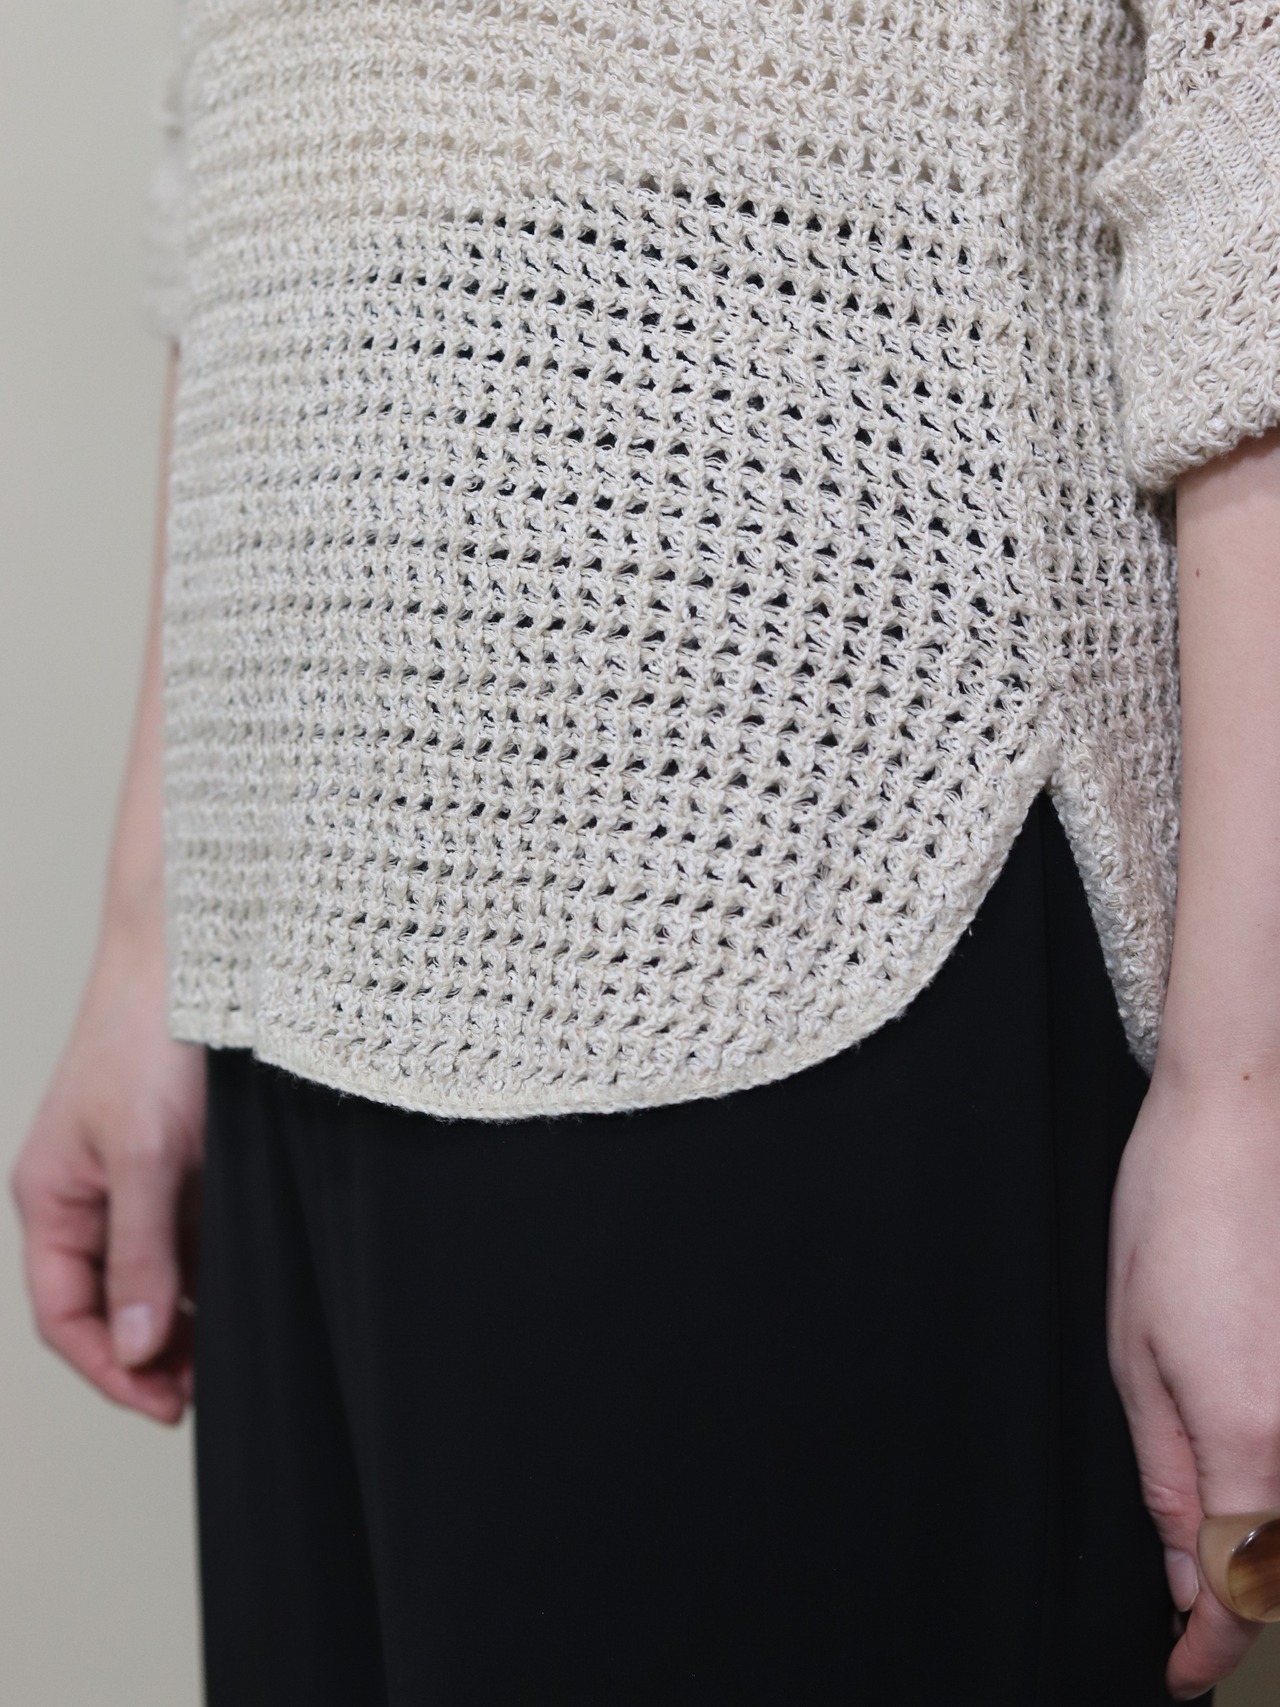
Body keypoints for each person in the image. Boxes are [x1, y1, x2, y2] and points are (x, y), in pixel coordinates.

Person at [11, 1, 1280, 1700]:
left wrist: (1247, 1091)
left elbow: (1255, 128)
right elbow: (246, 121)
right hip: (296, 917)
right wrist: (150, 927)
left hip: (830, 850)